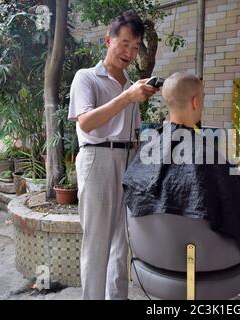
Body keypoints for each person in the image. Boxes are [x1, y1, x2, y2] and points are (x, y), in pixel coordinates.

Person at [123, 72, 240, 300]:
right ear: (196, 102)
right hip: (204, 262)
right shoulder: (207, 154)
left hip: (150, 261)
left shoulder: (147, 151)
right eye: (202, 97)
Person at [68, 11, 158, 300]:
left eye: (135, 47)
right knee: (97, 241)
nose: (130, 52)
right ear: (108, 40)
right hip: (97, 158)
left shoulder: (131, 84)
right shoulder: (86, 78)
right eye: (124, 43)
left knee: (123, 239)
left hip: (127, 159)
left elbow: (133, 133)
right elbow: (85, 122)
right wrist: (128, 97)